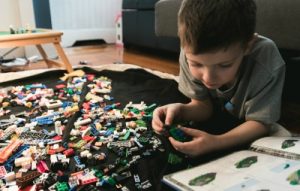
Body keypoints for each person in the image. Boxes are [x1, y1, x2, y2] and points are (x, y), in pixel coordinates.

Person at [152, 0, 288, 157]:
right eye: (196, 64)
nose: (208, 78)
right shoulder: (190, 48)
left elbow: (261, 123)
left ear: (248, 46)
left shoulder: (266, 60)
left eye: (224, 65)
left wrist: (217, 142)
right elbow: (203, 107)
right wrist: (180, 111)